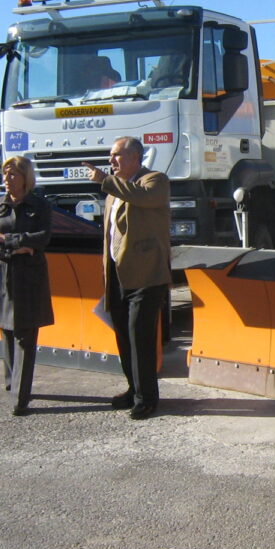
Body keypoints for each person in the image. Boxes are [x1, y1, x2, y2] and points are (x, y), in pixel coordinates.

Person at [84, 136, 171, 420]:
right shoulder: (115, 189)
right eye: (110, 156)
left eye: (117, 155)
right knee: (123, 335)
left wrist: (105, 180)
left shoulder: (155, 180)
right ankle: (134, 389)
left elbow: (142, 198)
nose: (111, 161)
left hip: (147, 275)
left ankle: (147, 398)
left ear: (135, 157)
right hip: (118, 274)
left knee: (140, 336)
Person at [0, 155, 54, 416]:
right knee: (6, 331)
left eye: (13, 174)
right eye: (5, 174)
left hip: (29, 278)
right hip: (2, 276)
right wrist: (15, 247)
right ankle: (13, 384)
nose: (7, 179)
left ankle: (21, 396)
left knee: (25, 334)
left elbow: (42, 237)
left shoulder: (40, 206)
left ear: (25, 178)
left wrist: (5, 238)